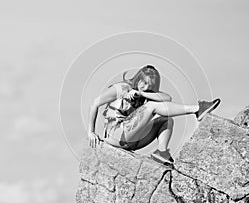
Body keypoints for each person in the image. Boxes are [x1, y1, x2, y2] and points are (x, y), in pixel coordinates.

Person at [87, 65, 220, 165]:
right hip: (115, 134)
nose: (145, 87)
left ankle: (162, 152)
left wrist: (142, 94)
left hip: (133, 141)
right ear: (138, 78)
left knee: (167, 119)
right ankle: (197, 109)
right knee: (152, 106)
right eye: (143, 83)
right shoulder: (121, 88)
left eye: (149, 86)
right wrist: (91, 132)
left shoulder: (145, 94)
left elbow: (167, 98)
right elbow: (94, 104)